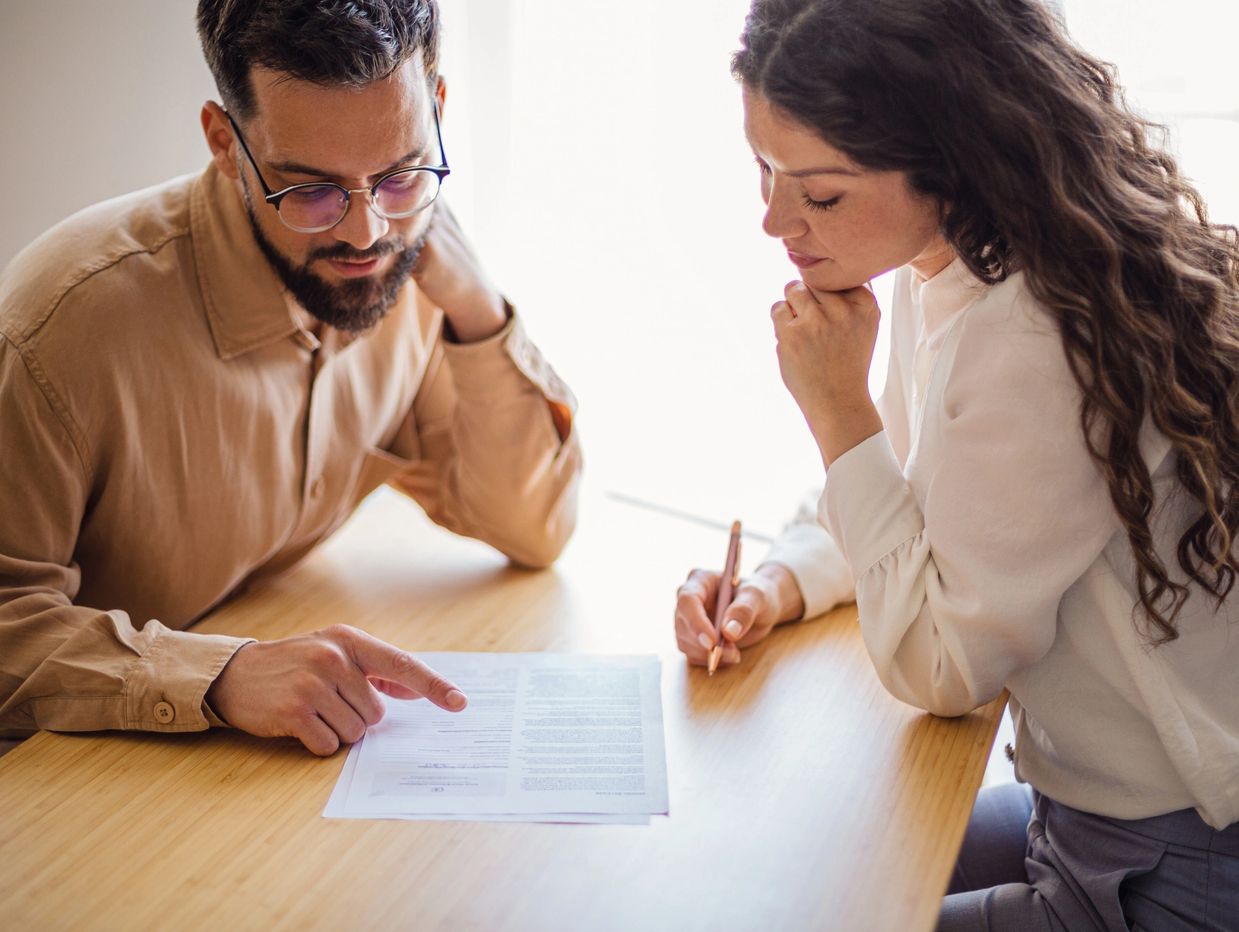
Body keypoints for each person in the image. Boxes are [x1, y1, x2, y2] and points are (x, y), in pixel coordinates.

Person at [673, 0, 1239, 927]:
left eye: (818, 193)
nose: (775, 220)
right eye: (764, 170)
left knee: (805, 903)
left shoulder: (1033, 332)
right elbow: (905, 490)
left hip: (1170, 862)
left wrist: (835, 410)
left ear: (951, 163)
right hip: (1084, 816)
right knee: (800, 869)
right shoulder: (959, 259)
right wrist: (776, 582)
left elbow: (942, 667)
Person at [0, 0, 582, 758]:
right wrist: (221, 675)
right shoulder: (64, 327)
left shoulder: (411, 268)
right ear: (223, 142)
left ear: (435, 108)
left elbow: (531, 527)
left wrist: (477, 313)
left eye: (400, 173)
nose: (365, 233)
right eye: (309, 191)